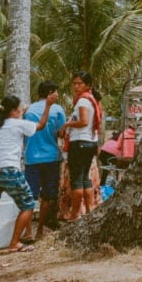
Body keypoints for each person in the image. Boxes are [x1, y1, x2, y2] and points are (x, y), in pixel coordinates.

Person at [0, 93, 57, 263]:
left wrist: (21, 112)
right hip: (9, 170)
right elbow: (41, 125)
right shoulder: (19, 124)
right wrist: (48, 105)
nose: (22, 110)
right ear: (13, 111)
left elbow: (12, 119)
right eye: (19, 108)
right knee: (28, 203)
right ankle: (14, 242)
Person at [23, 81, 66, 239]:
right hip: (50, 157)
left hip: (31, 157)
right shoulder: (57, 109)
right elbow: (61, 133)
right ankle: (40, 230)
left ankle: (27, 231)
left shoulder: (28, 109)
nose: (58, 95)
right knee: (48, 196)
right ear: (50, 93)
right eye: (56, 91)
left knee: (29, 196)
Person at [62, 71, 102, 221]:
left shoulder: (83, 101)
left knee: (77, 180)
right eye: (74, 83)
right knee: (86, 178)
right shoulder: (93, 100)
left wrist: (67, 124)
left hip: (79, 142)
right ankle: (89, 211)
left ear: (87, 85)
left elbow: (84, 122)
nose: (76, 86)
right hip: (90, 142)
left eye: (80, 83)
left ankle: (75, 215)